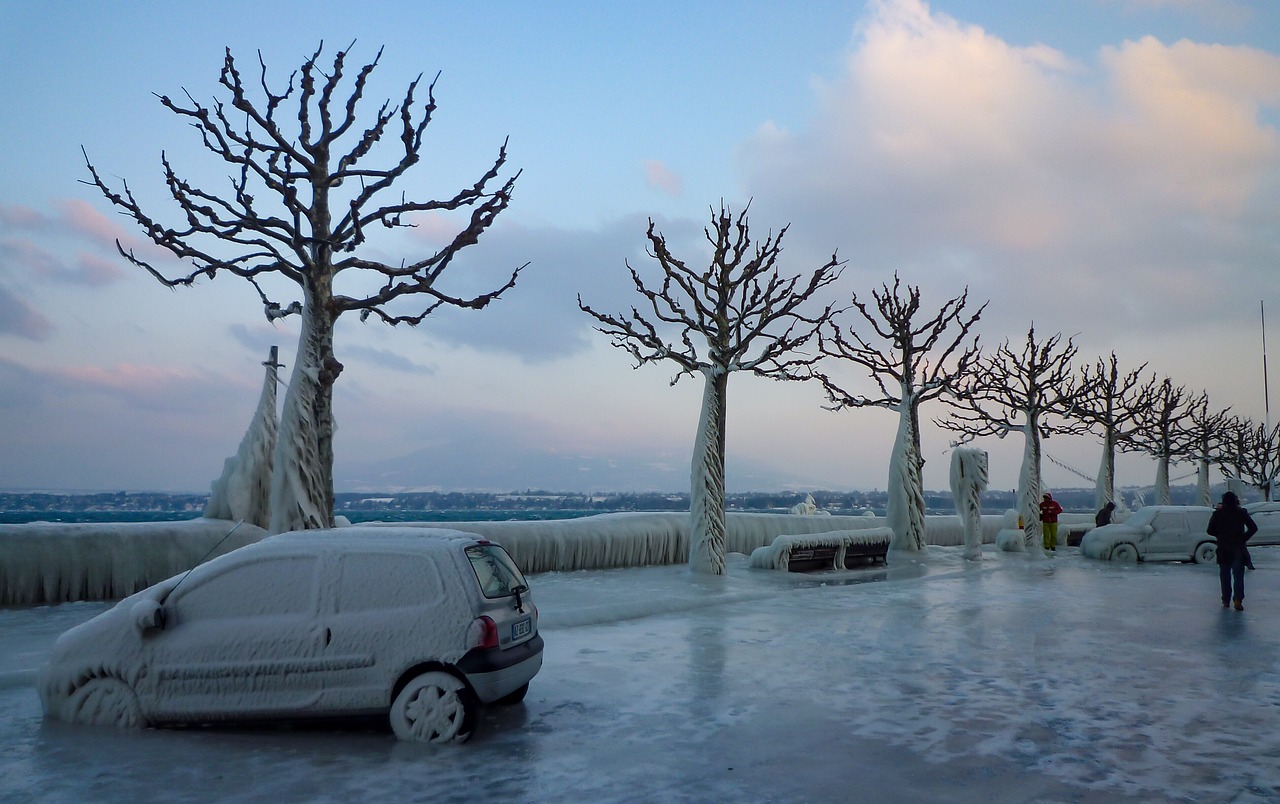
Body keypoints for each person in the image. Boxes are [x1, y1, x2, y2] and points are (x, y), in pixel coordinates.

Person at [1207, 491, 1258, 610]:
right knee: (1238, 576)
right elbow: (1253, 528)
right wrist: (1243, 538)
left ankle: (1225, 600)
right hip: (1237, 548)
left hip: (1223, 548)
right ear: (1235, 500)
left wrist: (1220, 536)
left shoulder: (1218, 514)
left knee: (1225, 576)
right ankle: (1238, 600)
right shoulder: (1241, 512)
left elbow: (1209, 530)